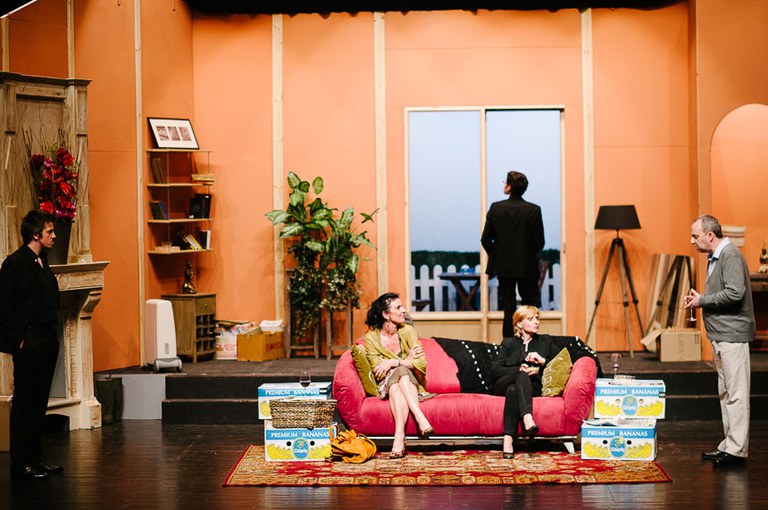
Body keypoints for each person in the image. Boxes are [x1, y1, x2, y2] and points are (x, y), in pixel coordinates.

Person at [685, 214, 755, 467]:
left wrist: (702, 301)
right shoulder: (715, 257)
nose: (692, 241)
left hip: (732, 336)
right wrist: (702, 298)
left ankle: (737, 450)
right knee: (726, 394)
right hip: (721, 336)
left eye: (695, 236)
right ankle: (729, 445)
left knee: (737, 395)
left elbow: (735, 293)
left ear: (710, 235)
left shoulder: (730, 255)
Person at [0, 211, 63, 480]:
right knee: (25, 404)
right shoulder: (16, 263)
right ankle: (21, 462)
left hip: (46, 340)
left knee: (38, 403)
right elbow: (4, 306)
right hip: (29, 341)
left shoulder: (42, 260)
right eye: (49, 232)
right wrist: (19, 339)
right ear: (35, 234)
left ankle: (35, 459)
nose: (54, 236)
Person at [363, 292, 433, 458]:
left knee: (399, 378)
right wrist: (407, 360)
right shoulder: (371, 338)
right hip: (385, 383)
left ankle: (399, 437)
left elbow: (421, 363)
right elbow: (377, 369)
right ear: (386, 314)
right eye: (398, 307)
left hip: (411, 381)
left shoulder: (408, 331)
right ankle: (419, 417)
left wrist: (392, 362)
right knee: (398, 378)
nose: (404, 310)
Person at [481, 170, 545, 337]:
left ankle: (509, 345)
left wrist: (498, 255)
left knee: (508, 308)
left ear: (509, 187)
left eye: (505, 182)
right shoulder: (534, 210)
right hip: (527, 266)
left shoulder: (496, 208)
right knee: (530, 308)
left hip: (504, 267)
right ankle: (530, 343)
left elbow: (485, 239)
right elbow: (539, 243)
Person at [491, 305, 557, 459]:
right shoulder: (508, 343)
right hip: (503, 383)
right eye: (530, 319)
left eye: (537, 318)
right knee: (520, 375)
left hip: (531, 386)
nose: (536, 322)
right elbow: (496, 370)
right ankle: (527, 417)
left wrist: (541, 364)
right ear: (519, 323)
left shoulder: (545, 341)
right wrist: (518, 369)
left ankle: (508, 439)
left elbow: (561, 365)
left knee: (513, 390)